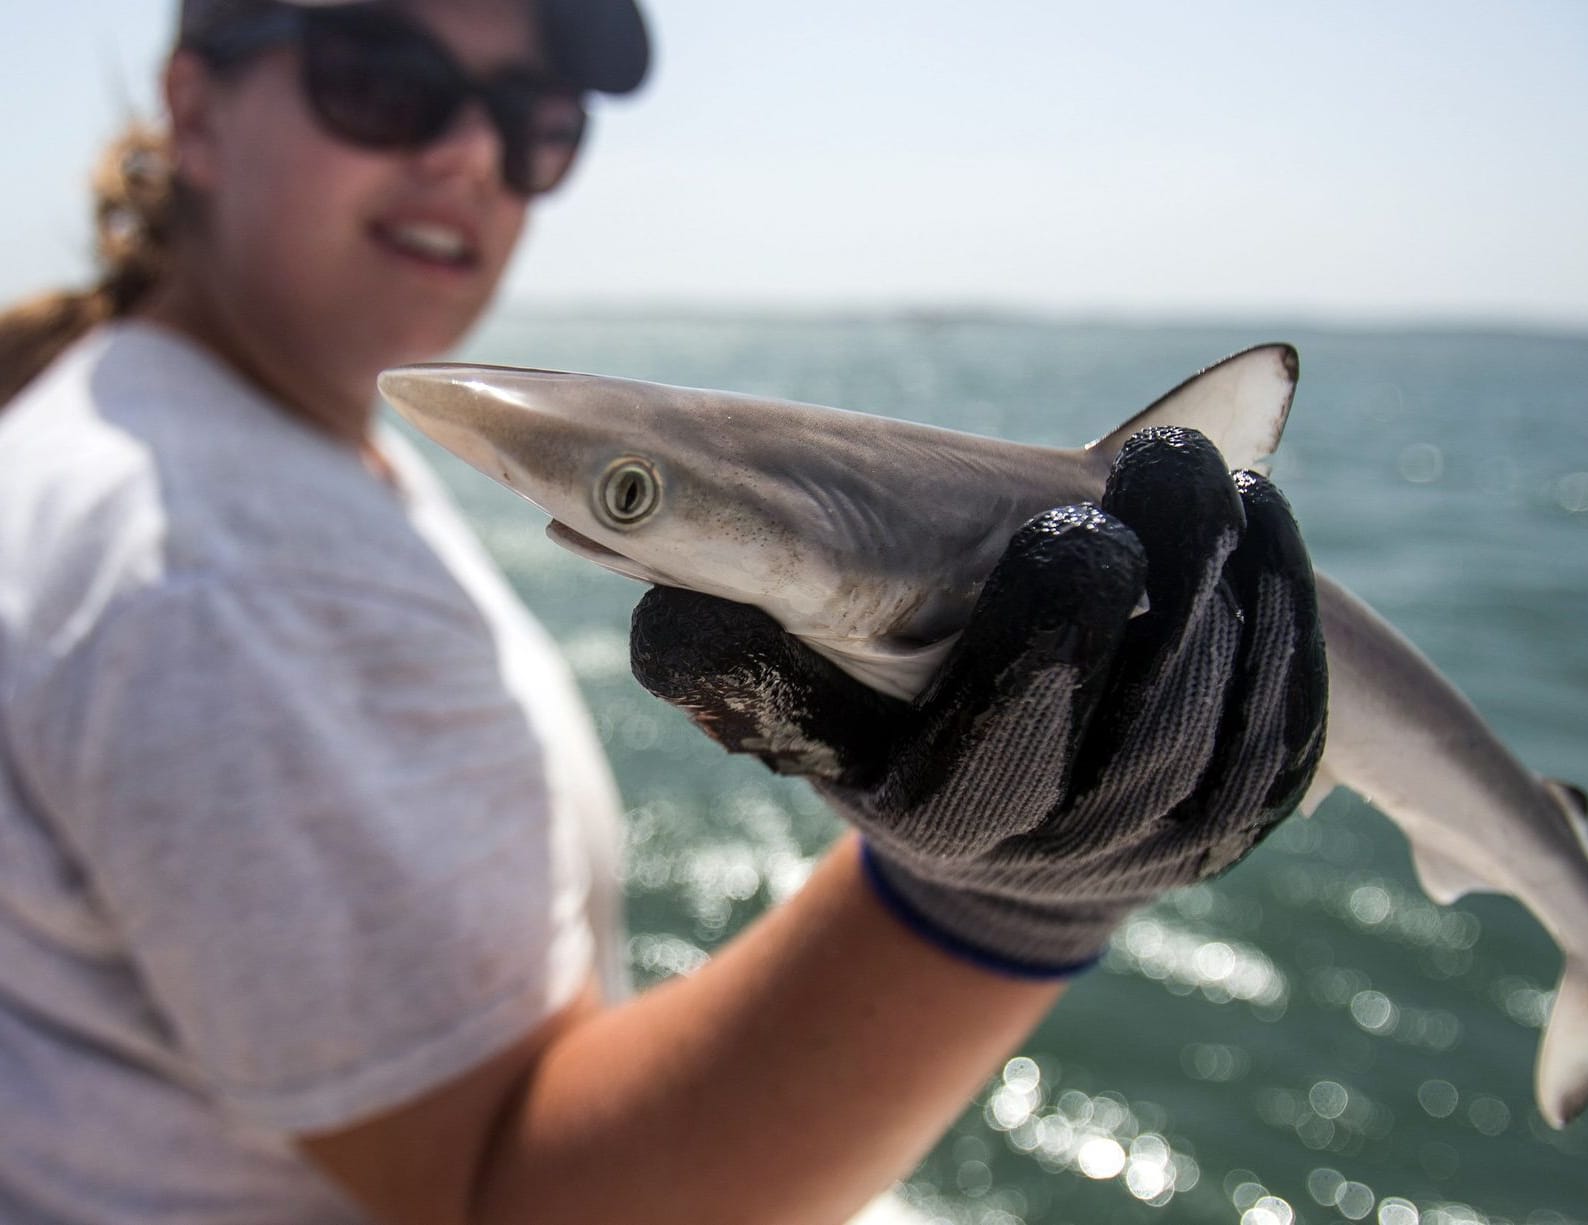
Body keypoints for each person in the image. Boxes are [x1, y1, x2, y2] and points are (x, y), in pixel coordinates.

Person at [0, 1, 1329, 1222]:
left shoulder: (179, 426)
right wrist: (1003, 904)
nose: (471, 154)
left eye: (535, 121)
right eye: (380, 81)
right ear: (193, 110)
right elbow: (506, 1200)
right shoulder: (224, 567)